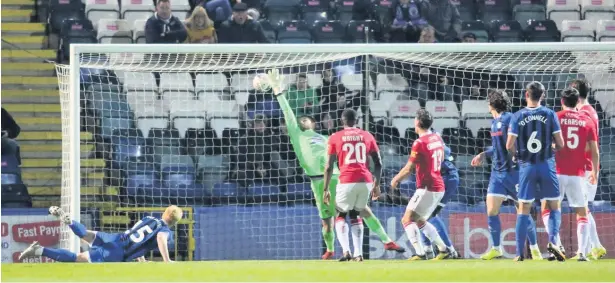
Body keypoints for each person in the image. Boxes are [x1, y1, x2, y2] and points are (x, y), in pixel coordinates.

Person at [264, 70, 404, 261]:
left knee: (361, 209)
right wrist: (279, 91)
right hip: (317, 182)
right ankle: (330, 249)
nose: (302, 120)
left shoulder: (326, 138)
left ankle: (385, 240)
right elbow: (288, 113)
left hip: (338, 177)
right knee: (326, 222)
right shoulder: (297, 135)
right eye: (300, 119)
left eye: (306, 119)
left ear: (313, 123)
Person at [471, 90, 541, 260]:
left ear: (492, 104)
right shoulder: (494, 122)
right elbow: (498, 148)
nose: (487, 105)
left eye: (488, 102)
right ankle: (496, 248)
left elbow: (517, 142)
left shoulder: (510, 118)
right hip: (497, 175)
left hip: (515, 173)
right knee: (491, 210)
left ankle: (535, 249)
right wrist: (483, 154)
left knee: (523, 211)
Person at [506, 81, 566, 261]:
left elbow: (509, 144)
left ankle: (519, 253)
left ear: (526, 94)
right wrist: (552, 146)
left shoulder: (517, 116)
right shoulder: (550, 114)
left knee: (523, 209)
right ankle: (553, 241)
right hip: (546, 165)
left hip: (527, 166)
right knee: (554, 205)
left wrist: (517, 155)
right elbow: (561, 144)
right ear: (543, 95)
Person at [390, 109, 453, 260]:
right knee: (419, 220)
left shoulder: (419, 143)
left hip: (427, 187)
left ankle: (420, 253)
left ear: (417, 122)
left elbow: (409, 169)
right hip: (438, 185)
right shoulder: (437, 138)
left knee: (407, 219)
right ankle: (444, 249)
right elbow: (443, 156)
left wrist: (396, 179)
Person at [323, 109, 384, 262]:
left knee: (341, 214)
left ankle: (346, 252)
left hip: (347, 180)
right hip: (365, 181)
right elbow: (379, 163)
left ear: (342, 120)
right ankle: (359, 254)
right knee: (356, 214)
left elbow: (329, 166)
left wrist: (325, 189)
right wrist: (377, 185)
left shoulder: (335, 137)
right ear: (357, 120)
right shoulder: (367, 135)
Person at [19, 206, 182, 263]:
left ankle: (70, 222)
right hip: (117, 253)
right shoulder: (165, 231)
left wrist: (141, 258)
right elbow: (159, 238)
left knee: (85, 235)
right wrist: (167, 260)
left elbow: (137, 236)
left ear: (164, 212)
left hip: (116, 238)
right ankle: (39, 250)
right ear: (175, 221)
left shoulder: (149, 218)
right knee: (77, 258)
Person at [551, 88, 600, 261]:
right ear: (577, 101)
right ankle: (581, 252)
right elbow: (594, 151)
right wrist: (594, 171)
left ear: (562, 101)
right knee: (582, 211)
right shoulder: (587, 120)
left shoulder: (555, 117)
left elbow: (550, 144)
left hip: (557, 172)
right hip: (578, 174)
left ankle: (556, 246)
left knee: (550, 209)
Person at [571, 78, 607, 259]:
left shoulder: (585, 114)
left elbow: (588, 144)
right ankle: (597, 246)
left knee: (582, 209)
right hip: (586, 166)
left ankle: (582, 252)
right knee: (584, 208)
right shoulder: (587, 111)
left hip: (586, 167)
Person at [418, 142, 460, 259]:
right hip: (441, 177)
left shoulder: (433, 141)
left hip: (447, 178)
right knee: (420, 213)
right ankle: (427, 250)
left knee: (430, 214)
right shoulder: (435, 140)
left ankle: (449, 250)